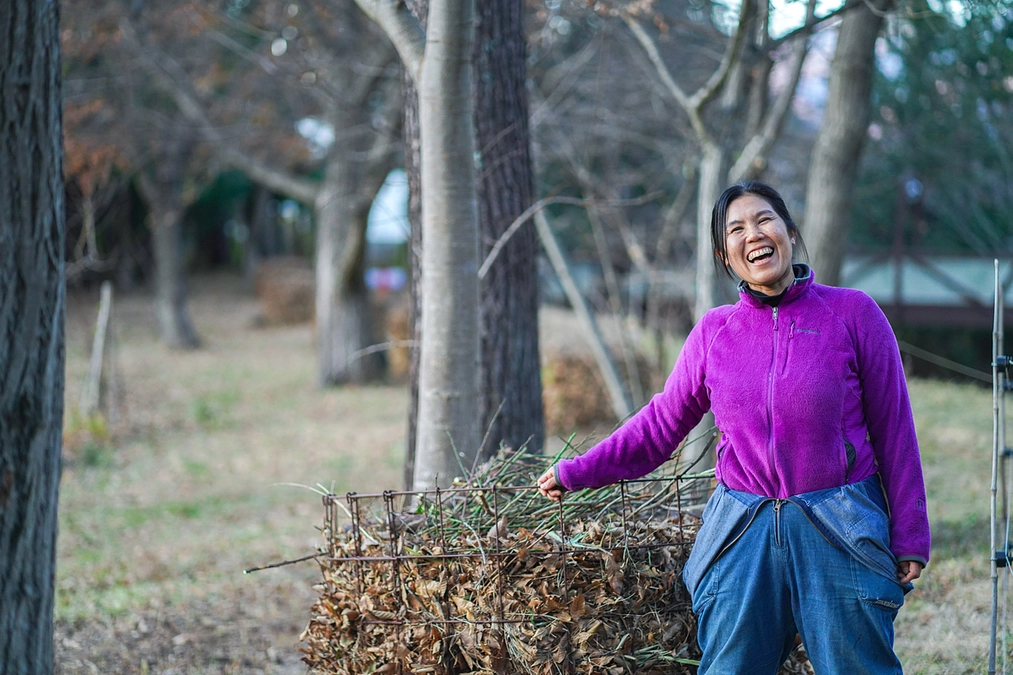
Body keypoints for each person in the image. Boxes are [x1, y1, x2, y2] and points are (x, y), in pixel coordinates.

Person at [537, 181, 930, 674]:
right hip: (742, 531)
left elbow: (895, 429)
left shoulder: (852, 314)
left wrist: (910, 534)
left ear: (789, 232)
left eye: (765, 220)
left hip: (841, 525)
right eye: (737, 229)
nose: (754, 235)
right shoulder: (714, 332)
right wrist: (579, 470)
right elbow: (662, 423)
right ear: (726, 257)